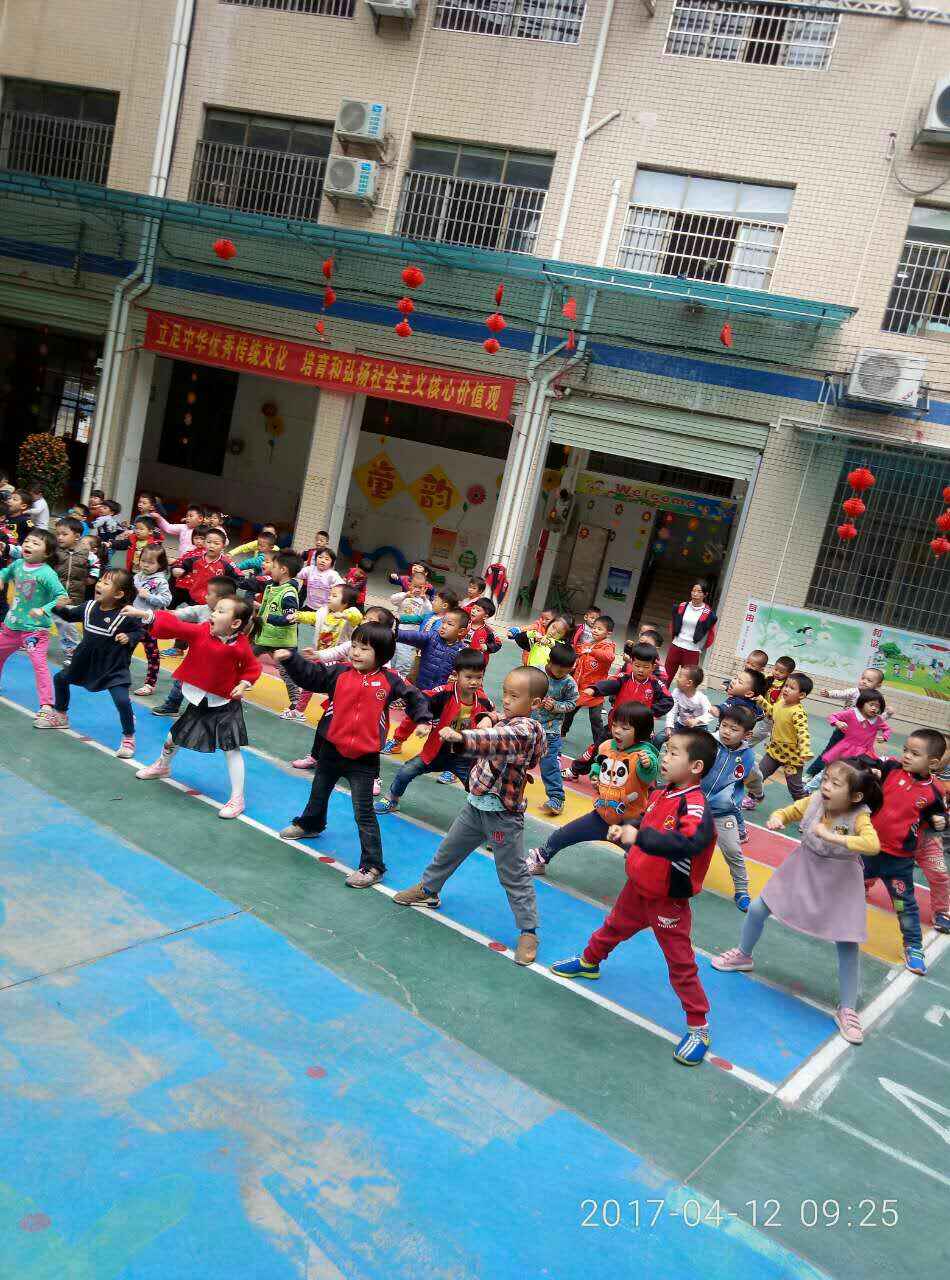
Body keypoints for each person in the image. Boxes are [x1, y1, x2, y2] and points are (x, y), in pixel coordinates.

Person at [551, 728, 720, 1067]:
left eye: (673, 753)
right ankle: (589, 962)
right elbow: (646, 817)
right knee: (613, 926)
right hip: (638, 884)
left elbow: (686, 843)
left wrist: (639, 837)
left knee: (680, 962)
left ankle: (699, 1026)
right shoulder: (663, 792)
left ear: (696, 766)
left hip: (667, 899)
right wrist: (629, 825)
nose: (664, 757)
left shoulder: (694, 806)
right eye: (666, 750)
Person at [713, 760, 884, 1045]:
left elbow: (872, 844)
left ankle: (848, 1008)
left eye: (835, 784)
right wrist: (778, 817)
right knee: (758, 908)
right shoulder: (815, 800)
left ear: (855, 796)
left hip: (840, 880)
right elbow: (790, 811)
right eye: (826, 779)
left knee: (848, 942)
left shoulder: (859, 816)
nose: (826, 786)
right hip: (803, 866)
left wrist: (833, 837)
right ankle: (743, 954)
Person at [393, 666, 549, 966]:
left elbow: (494, 739)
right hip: (476, 805)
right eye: (505, 693)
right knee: (447, 852)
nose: (506, 700)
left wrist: (462, 737)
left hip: (503, 816)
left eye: (514, 696)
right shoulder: (507, 719)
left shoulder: (527, 730)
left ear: (535, 703)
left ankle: (529, 931)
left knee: (513, 874)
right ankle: (428, 890)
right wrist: (488, 716)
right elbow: (495, 721)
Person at [275, 622, 432, 887]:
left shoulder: (390, 680)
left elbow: (415, 697)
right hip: (331, 750)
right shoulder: (339, 673)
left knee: (364, 812)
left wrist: (423, 719)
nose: (356, 652)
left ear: (382, 654)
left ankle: (373, 865)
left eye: (364, 649)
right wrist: (291, 660)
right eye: (354, 646)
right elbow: (311, 676)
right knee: (319, 792)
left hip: (364, 759)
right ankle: (311, 824)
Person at [129, 595, 261, 819]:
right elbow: (176, 627)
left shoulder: (241, 646)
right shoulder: (201, 631)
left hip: (225, 704)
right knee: (172, 737)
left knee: (231, 749)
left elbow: (252, 668)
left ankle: (237, 798)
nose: (213, 614)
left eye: (220, 611)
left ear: (236, 623)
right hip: (200, 700)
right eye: (215, 610)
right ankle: (163, 766)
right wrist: (146, 615)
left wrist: (243, 684)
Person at [526, 702, 659, 875]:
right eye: (615, 725)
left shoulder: (643, 755)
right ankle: (541, 857)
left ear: (640, 732)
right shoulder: (607, 746)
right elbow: (598, 763)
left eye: (625, 728)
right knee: (564, 834)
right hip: (601, 815)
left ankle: (654, 882)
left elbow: (648, 776)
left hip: (628, 822)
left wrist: (648, 765)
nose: (617, 730)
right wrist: (595, 775)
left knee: (644, 859)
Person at [864, 729, 947, 975]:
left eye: (915, 753)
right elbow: (868, 763)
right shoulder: (891, 769)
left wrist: (940, 821)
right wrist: (870, 769)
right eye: (905, 750)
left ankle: (913, 946)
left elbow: (939, 815)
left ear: (933, 763)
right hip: (868, 848)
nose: (907, 756)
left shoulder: (935, 790)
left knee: (905, 906)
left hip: (898, 862)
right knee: (842, 883)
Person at [375, 649, 494, 814]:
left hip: (463, 758)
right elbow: (419, 703)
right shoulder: (443, 694)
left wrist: (489, 718)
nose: (474, 682)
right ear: (456, 675)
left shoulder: (484, 702)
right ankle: (392, 799)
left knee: (479, 787)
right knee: (406, 771)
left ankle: (484, 817)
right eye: (468, 677)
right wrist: (410, 731)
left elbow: (495, 721)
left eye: (479, 677)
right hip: (435, 753)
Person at [43, 567, 142, 757]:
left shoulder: (126, 614)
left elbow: (140, 632)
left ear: (119, 594)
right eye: (101, 580)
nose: (100, 584)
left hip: (113, 667)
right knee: (60, 679)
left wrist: (129, 637)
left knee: (122, 700)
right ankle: (61, 715)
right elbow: (69, 616)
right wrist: (58, 607)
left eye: (106, 583)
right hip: (84, 662)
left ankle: (129, 737)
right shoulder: (88, 607)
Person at [286, 605, 397, 772]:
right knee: (325, 726)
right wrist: (318, 655)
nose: (365, 622)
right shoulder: (355, 642)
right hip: (343, 697)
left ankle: (373, 776)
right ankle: (315, 756)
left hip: (368, 707)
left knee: (370, 740)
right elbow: (337, 651)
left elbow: (390, 681)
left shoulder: (382, 655)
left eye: (371, 620)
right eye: (365, 618)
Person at [566, 641, 674, 780]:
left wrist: (648, 713)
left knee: (640, 758)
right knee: (597, 749)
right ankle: (575, 770)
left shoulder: (655, 684)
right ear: (631, 663)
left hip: (640, 732)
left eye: (646, 667)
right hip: (615, 726)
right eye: (637, 665)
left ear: (653, 667)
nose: (641, 670)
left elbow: (668, 701)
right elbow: (610, 684)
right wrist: (594, 689)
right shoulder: (624, 678)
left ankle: (640, 784)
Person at [383, 607, 470, 752]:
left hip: (444, 697)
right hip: (422, 692)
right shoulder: (431, 638)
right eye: (443, 622)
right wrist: (396, 632)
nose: (444, 626)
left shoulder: (462, 652)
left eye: (449, 624)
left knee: (441, 726)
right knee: (411, 718)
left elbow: (465, 674)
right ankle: (397, 741)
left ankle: (434, 752)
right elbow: (414, 636)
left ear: (461, 632)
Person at [150, 576, 238, 717]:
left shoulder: (235, 617)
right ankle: (172, 705)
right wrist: (164, 614)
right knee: (181, 681)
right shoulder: (202, 609)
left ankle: (214, 712)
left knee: (215, 689)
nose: (205, 596)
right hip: (197, 659)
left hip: (219, 664)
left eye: (209, 593)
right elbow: (182, 613)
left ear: (221, 599)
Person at [0, 529, 65, 719]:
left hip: (35, 630)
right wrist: (1, 578)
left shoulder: (47, 573)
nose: (28, 545)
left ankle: (46, 704)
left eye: (36, 543)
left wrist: (44, 609)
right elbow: (5, 572)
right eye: (27, 541)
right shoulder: (18, 564)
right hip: (12, 626)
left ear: (47, 553)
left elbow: (62, 597)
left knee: (39, 664)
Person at [702, 706, 758, 911]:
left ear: (747, 735)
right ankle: (646, 853)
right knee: (673, 833)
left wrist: (758, 793)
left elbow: (755, 777)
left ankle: (742, 890)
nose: (726, 731)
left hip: (723, 811)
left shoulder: (748, 756)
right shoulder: (707, 743)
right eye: (724, 725)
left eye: (734, 729)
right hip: (693, 803)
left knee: (733, 849)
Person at [292, 581, 363, 717]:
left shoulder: (349, 618)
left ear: (345, 602)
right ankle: (299, 711)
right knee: (309, 683)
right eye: (330, 594)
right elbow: (312, 616)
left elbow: (357, 615)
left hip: (339, 660)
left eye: (334, 596)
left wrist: (344, 615)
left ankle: (337, 716)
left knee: (338, 690)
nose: (329, 597)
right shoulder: (323, 612)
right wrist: (298, 616)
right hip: (320, 656)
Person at [743, 671, 813, 806]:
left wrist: (805, 750)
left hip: (792, 757)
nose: (786, 689)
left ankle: (806, 807)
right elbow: (772, 712)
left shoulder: (798, 712)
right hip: (775, 751)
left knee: (795, 788)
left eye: (792, 688)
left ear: (801, 695)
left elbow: (803, 732)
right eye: (786, 686)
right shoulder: (781, 703)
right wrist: (761, 701)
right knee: (759, 775)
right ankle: (754, 797)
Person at [251, 549, 304, 719]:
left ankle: (296, 704)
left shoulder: (289, 593)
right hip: (265, 636)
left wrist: (268, 617)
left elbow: (290, 618)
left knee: (286, 673)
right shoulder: (274, 586)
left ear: (283, 570)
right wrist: (260, 608)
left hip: (282, 642)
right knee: (245, 656)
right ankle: (238, 681)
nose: (270, 569)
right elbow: (272, 607)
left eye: (273, 566)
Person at [807, 668, 887, 778]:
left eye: (869, 680)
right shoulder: (854, 692)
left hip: (859, 736)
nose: (864, 681)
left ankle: (840, 777)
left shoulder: (875, 699)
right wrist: (829, 693)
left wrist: (888, 715)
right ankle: (811, 773)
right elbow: (841, 693)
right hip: (843, 730)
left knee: (851, 758)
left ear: (878, 685)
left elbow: (878, 718)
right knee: (829, 752)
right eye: (863, 678)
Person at [535, 641, 579, 817]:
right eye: (558, 669)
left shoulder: (569, 683)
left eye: (565, 671)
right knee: (515, 758)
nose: (561, 673)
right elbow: (523, 687)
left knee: (549, 764)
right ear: (549, 662)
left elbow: (572, 704)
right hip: (528, 725)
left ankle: (556, 798)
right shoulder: (537, 672)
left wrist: (556, 706)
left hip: (551, 730)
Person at [561, 614, 615, 743]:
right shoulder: (587, 644)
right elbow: (576, 654)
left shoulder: (608, 646)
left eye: (599, 629)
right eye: (594, 627)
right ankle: (561, 733)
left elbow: (609, 657)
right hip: (580, 687)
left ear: (608, 633)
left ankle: (599, 743)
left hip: (595, 689)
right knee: (569, 711)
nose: (595, 630)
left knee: (595, 718)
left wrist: (592, 651)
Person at [916, 731, 950, 934]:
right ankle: (862, 887)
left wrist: (943, 819)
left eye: (943, 751)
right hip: (898, 834)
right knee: (874, 865)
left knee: (939, 873)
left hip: (929, 838)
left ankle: (941, 911)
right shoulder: (906, 772)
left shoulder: (944, 783)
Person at [50, 516, 93, 664]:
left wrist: (93, 577)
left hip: (72, 596)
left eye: (64, 534)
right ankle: (30, 642)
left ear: (77, 536)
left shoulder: (86, 551)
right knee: (39, 618)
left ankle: (72, 652)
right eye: (58, 534)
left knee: (66, 624)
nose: (60, 537)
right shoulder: (54, 551)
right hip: (53, 594)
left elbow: (96, 564)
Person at [131, 544, 172, 696]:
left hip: (148, 623)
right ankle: (118, 676)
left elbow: (167, 600)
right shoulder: (137, 577)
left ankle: (150, 684)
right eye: (143, 561)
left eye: (151, 562)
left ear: (160, 565)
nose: (145, 565)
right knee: (124, 648)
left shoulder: (161, 581)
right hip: (132, 621)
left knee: (152, 654)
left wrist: (149, 596)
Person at [665, 581, 717, 683]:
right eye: (693, 591)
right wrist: (674, 639)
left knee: (687, 681)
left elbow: (709, 634)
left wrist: (699, 648)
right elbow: (673, 624)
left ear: (705, 594)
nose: (695, 594)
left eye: (699, 591)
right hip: (676, 646)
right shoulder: (682, 606)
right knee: (666, 677)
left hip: (692, 651)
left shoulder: (709, 614)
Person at [171, 527, 238, 605]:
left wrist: (227, 589)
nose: (211, 546)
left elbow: (239, 577)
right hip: (192, 592)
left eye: (216, 543)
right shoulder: (195, 557)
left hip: (211, 599)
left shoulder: (226, 562)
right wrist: (176, 568)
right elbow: (181, 564)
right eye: (209, 542)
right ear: (205, 543)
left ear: (223, 546)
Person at [663, 665, 712, 740]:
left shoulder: (701, 698)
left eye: (680, 676)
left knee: (695, 744)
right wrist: (669, 726)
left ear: (689, 683)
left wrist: (696, 720)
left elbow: (709, 713)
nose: (677, 679)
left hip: (699, 727)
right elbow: (672, 710)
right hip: (681, 725)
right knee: (659, 738)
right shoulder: (676, 692)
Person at [463, 597, 502, 662]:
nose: (473, 611)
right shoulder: (464, 623)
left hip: (476, 662)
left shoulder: (488, 631)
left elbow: (498, 643)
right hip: (461, 657)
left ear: (485, 616)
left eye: (478, 610)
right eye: (473, 608)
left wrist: (487, 647)